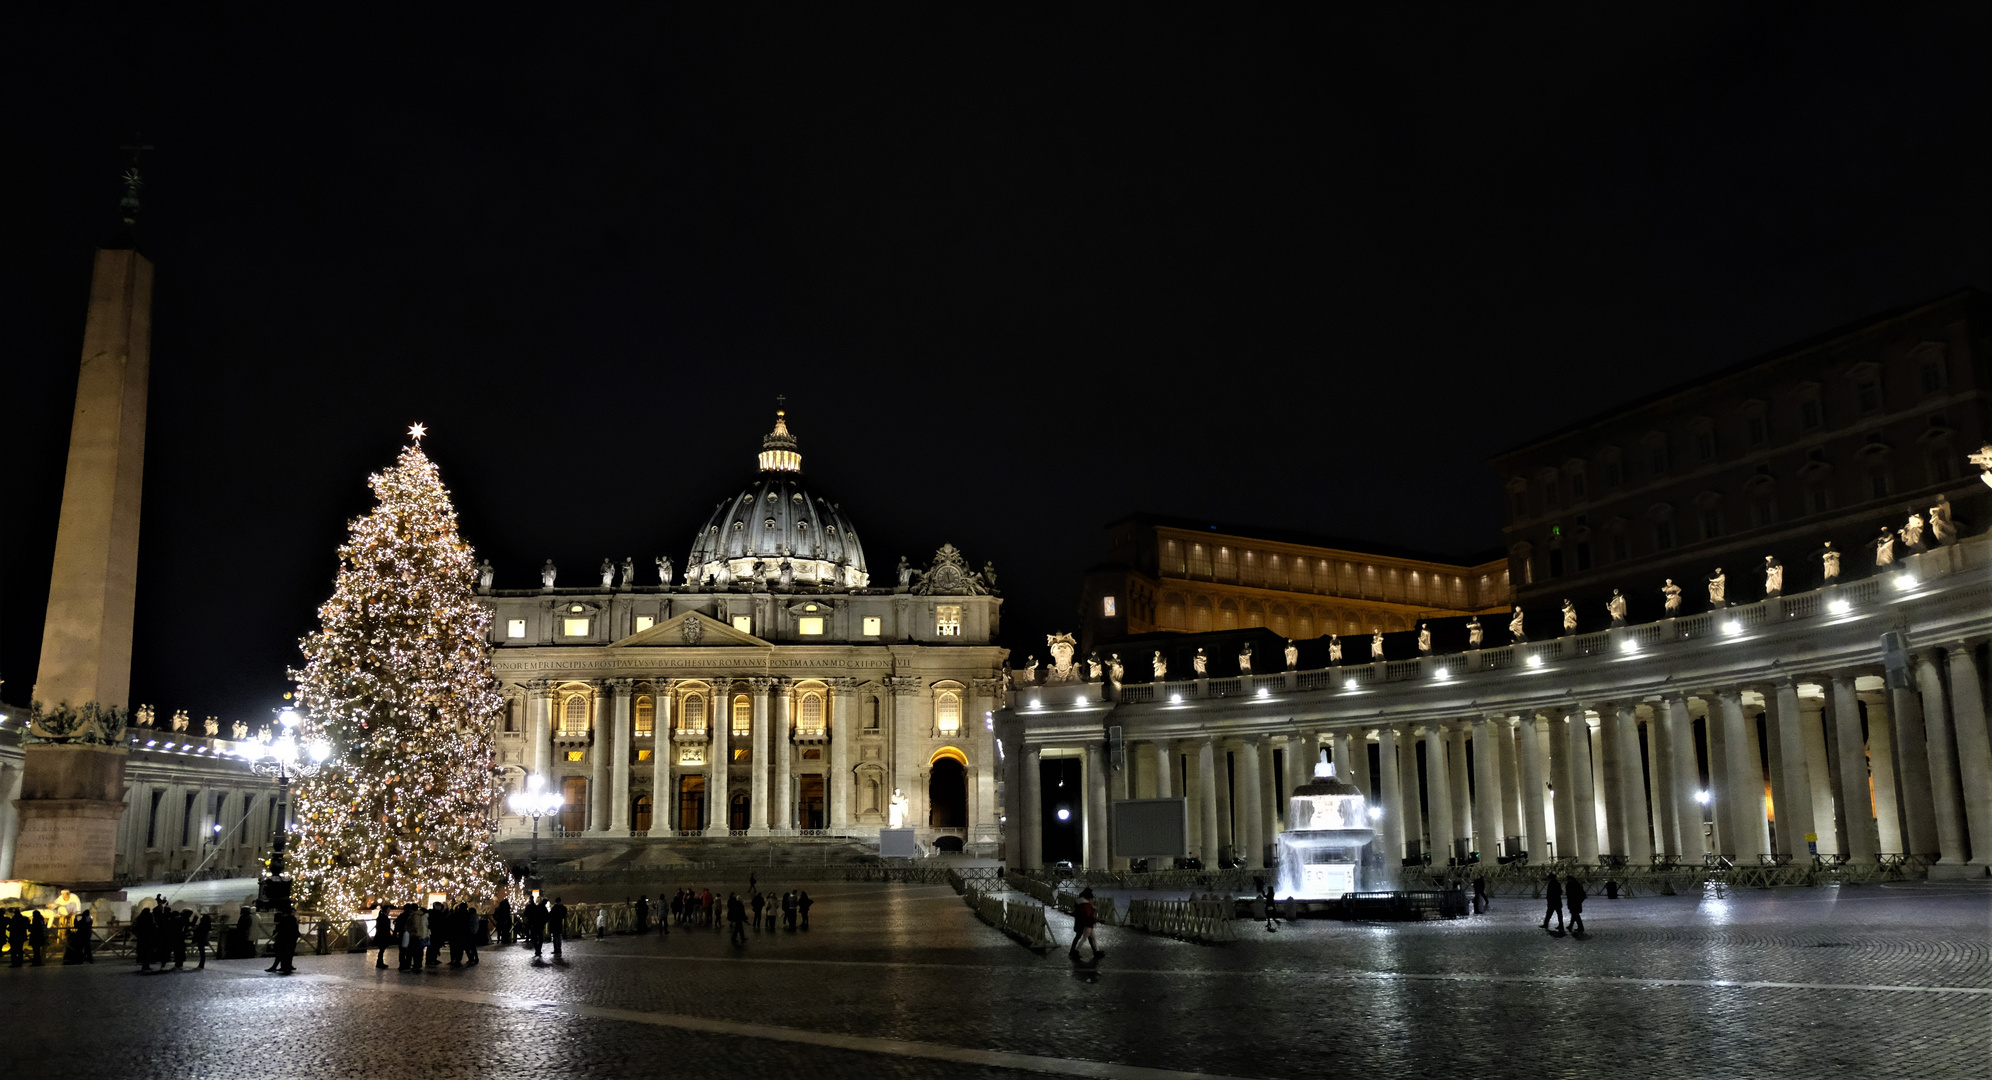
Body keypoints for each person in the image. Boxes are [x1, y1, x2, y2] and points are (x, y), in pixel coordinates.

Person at [1069, 888, 1102, 960]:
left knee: (1083, 937)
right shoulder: (1086, 905)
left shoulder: (1080, 902)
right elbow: (1088, 914)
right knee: (1086, 938)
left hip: (1080, 922)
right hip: (1085, 923)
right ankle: (1075, 951)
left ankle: (1074, 951)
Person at [272, 910, 300, 974]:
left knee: (282, 953)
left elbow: (280, 929)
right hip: (291, 939)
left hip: (285, 939)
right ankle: (287, 966)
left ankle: (283, 966)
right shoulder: (292, 919)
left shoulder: (284, 921)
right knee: (289, 953)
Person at [396, 904, 418, 970]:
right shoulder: (410, 917)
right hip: (409, 935)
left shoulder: (401, 916)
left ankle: (402, 964)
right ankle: (407, 964)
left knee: (402, 951)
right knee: (409, 951)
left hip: (401, 935)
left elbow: (397, 926)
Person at [374, 903, 394, 968]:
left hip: (381, 935)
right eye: (388, 910)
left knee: (382, 950)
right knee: (382, 949)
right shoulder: (384, 917)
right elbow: (384, 927)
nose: (389, 911)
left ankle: (380, 962)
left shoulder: (381, 917)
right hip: (383, 936)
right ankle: (379, 962)